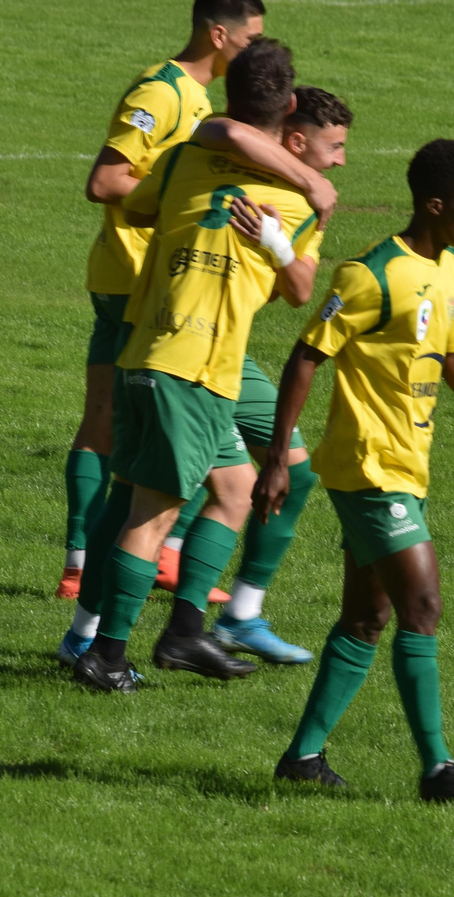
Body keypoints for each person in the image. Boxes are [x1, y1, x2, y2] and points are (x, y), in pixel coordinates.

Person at [252, 139, 454, 803]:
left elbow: (452, 351)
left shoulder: (451, 269)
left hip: (407, 462)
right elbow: (305, 357)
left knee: (366, 616)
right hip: (369, 467)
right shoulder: (370, 275)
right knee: (423, 606)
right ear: (436, 206)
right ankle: (438, 769)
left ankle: (303, 757)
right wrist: (276, 460)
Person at [58, 0, 337, 602]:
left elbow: (224, 135)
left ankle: (106, 586)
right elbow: (106, 183)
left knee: (133, 451)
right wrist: (185, 201)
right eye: (251, 37)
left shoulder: (207, 109)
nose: (257, 51)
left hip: (169, 295)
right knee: (162, 458)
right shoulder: (165, 94)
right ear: (218, 35)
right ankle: (156, 589)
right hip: (151, 291)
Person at [158, 87, 354, 665]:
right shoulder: (241, 167)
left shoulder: (298, 205)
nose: (341, 161)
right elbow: (223, 130)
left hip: (225, 349)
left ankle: (235, 613)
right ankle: (104, 632)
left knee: (282, 474)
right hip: (187, 341)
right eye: (334, 146)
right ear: (296, 142)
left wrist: (273, 243)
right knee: (169, 495)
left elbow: (297, 291)